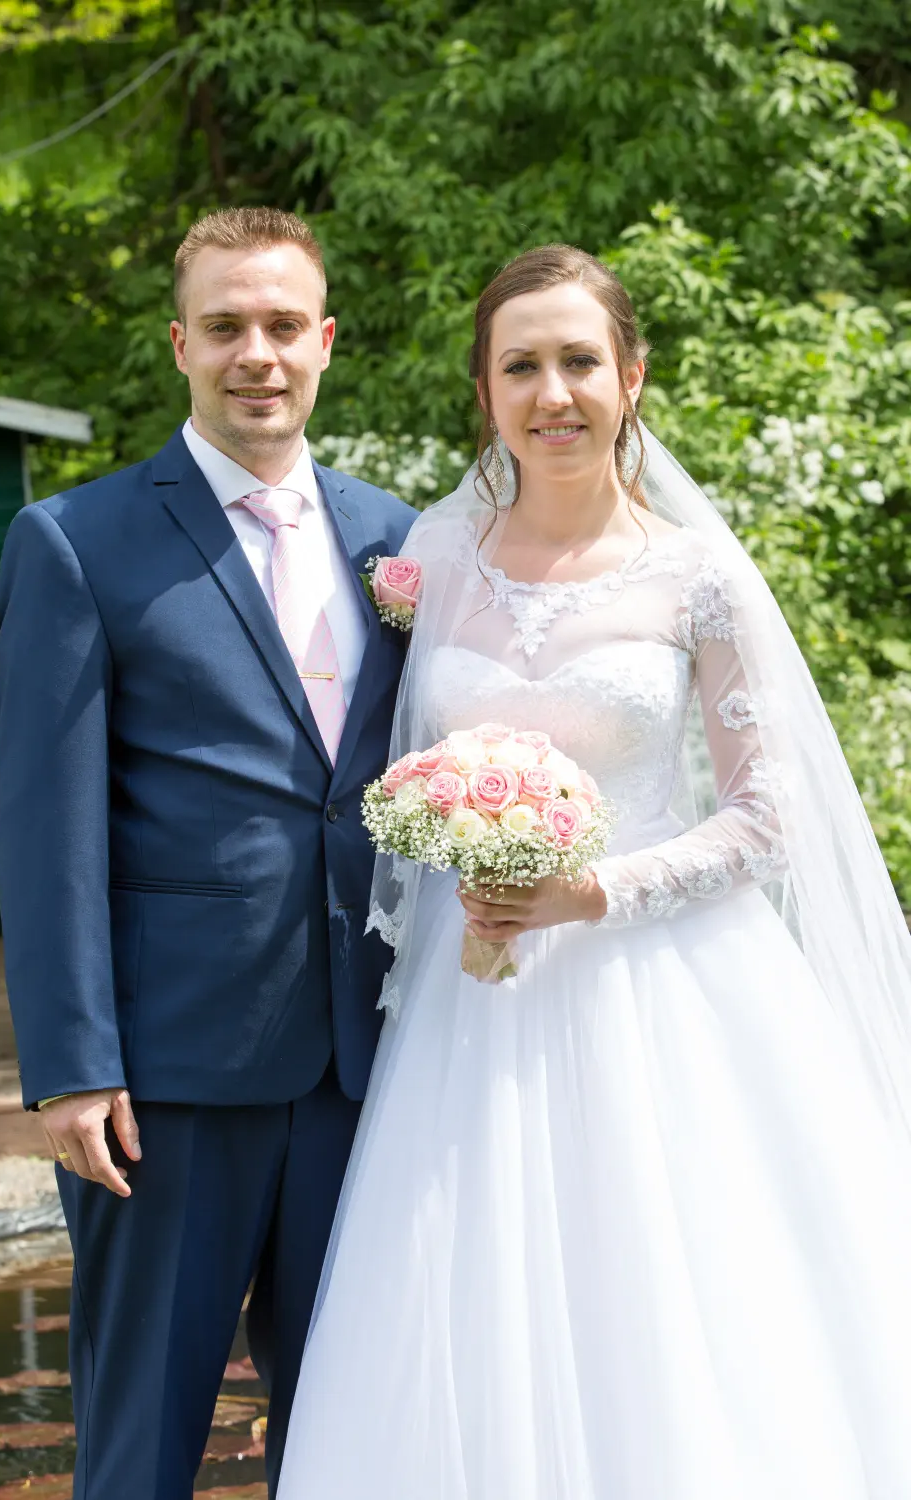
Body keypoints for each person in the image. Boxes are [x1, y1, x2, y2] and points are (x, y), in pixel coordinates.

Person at [276, 244, 911, 1499]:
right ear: (484, 391)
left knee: (671, 1292)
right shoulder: (429, 561)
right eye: (520, 365)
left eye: (579, 360)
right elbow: (381, 768)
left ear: (631, 377)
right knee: (469, 1291)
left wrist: (593, 892)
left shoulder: (697, 575)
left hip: (665, 990)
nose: (551, 391)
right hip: (470, 1001)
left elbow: (766, 816)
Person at [0, 206, 416, 1500]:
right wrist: (72, 1067)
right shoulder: (78, 539)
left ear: (326, 341)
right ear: (181, 344)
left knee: (350, 1437)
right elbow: (45, 828)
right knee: (141, 1442)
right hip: (165, 1079)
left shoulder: (400, 539)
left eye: (283, 325)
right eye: (225, 326)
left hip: (370, 1064)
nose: (257, 355)